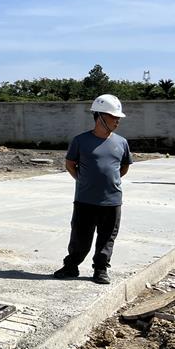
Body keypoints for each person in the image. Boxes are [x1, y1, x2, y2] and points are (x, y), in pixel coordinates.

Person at [54, 94, 132, 285]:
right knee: (80, 237)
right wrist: (83, 181)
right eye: (114, 117)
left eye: (118, 118)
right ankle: (71, 266)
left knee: (107, 238)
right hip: (85, 200)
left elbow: (124, 167)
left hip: (112, 200)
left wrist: (110, 182)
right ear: (100, 117)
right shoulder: (80, 141)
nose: (117, 121)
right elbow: (70, 164)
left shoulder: (121, 142)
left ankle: (100, 269)